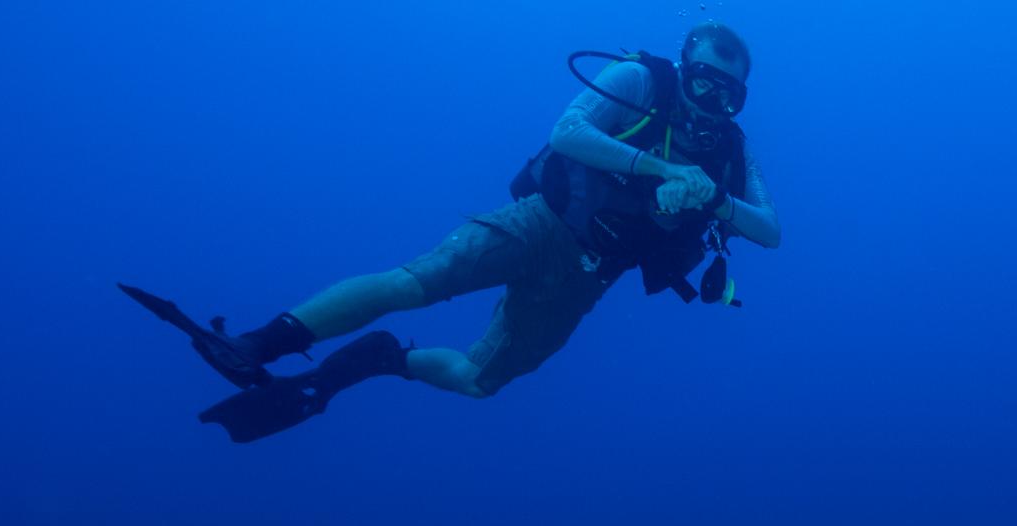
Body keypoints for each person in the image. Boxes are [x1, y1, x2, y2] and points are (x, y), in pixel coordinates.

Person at [124, 22, 779, 442]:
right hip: (542, 224)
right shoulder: (639, 80)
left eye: (731, 95)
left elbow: (770, 230)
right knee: (416, 282)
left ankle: (382, 360)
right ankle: (256, 343)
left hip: (588, 274)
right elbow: (567, 131)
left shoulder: (733, 153)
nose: (714, 103)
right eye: (704, 83)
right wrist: (660, 168)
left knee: (478, 381)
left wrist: (715, 195)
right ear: (683, 69)